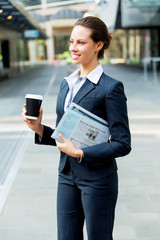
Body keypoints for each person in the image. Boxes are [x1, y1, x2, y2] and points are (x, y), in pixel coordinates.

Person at [23, 16, 131, 240]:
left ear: (98, 45)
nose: (73, 47)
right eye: (72, 41)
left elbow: (123, 144)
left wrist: (81, 153)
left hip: (98, 179)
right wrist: (39, 128)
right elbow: (66, 134)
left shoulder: (111, 88)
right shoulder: (67, 83)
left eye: (81, 42)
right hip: (66, 175)